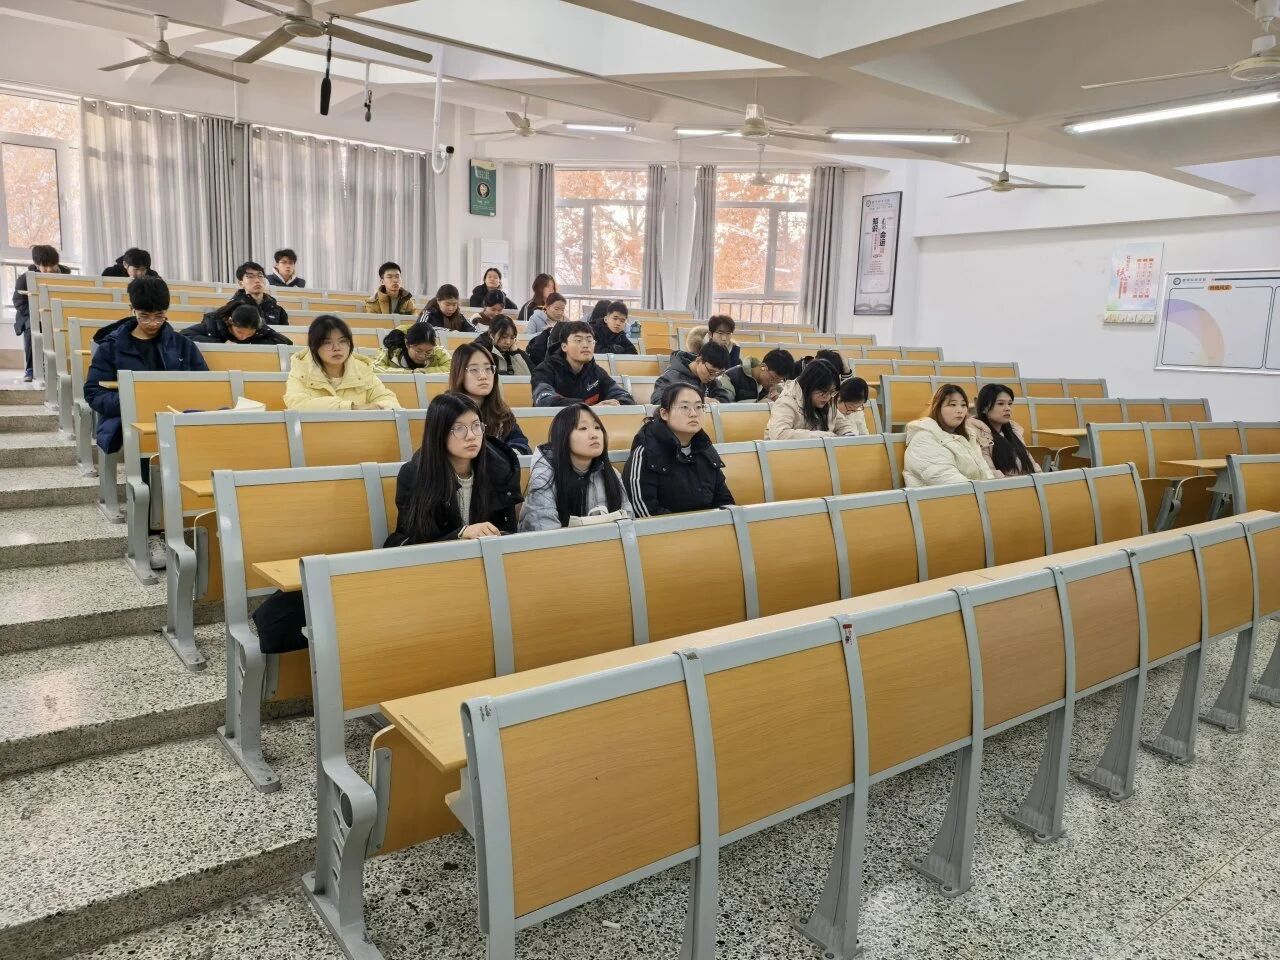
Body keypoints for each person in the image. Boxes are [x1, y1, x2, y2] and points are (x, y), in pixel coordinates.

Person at [84, 278, 208, 569]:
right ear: (132, 310)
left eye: (159, 316)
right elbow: (93, 392)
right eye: (144, 316)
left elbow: (204, 384)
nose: (152, 323)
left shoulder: (182, 344)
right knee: (150, 458)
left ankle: (195, 524)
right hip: (130, 422)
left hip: (175, 419)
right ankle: (153, 533)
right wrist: (133, 405)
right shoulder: (112, 346)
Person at [385, 392, 522, 545]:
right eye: (459, 428)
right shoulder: (414, 475)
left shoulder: (501, 468)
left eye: (476, 426)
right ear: (439, 433)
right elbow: (415, 542)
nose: (471, 436)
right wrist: (460, 534)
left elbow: (508, 534)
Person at [624, 383, 734, 517]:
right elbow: (645, 511)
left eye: (699, 407)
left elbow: (724, 500)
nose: (693, 413)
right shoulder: (646, 452)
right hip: (667, 529)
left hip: (709, 527)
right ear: (664, 413)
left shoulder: (705, 448)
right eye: (684, 407)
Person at [519, 404, 633, 531]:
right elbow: (547, 532)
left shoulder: (611, 473)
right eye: (583, 428)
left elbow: (628, 522)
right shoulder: (544, 475)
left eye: (597, 427)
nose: (594, 435)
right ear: (563, 436)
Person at [284, 315, 402, 411]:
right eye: (327, 342)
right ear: (314, 346)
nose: (337, 348)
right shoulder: (301, 370)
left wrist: (379, 407)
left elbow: (389, 401)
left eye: (343, 341)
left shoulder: (362, 369)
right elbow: (297, 405)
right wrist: (351, 408)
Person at [903, 384, 996, 488]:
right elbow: (947, 480)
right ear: (937, 407)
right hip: (942, 497)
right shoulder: (923, 439)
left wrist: (993, 489)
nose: (960, 410)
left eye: (963, 405)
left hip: (971, 494)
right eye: (952, 405)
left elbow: (985, 472)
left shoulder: (968, 436)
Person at [449, 342, 530, 454]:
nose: (483, 376)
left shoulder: (501, 412)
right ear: (459, 373)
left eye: (488, 368)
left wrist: (512, 453)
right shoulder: (446, 411)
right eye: (474, 370)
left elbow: (520, 443)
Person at [532, 320, 634, 407]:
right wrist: (588, 408)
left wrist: (616, 405)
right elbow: (544, 400)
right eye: (578, 340)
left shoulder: (596, 372)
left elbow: (623, 396)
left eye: (589, 340)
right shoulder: (544, 371)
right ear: (564, 346)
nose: (585, 345)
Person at [764, 359, 864, 440]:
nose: (827, 397)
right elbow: (779, 434)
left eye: (831, 392)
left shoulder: (827, 403)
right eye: (823, 391)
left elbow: (843, 425)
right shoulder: (787, 402)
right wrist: (821, 436)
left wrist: (848, 434)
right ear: (809, 386)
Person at [12, 244, 70, 381]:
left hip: (60, 313)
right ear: (37, 264)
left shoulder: (66, 275)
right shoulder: (25, 278)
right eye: (45, 266)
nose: (49, 270)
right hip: (32, 315)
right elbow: (18, 301)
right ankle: (31, 368)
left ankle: (65, 366)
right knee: (33, 327)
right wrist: (36, 312)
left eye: (52, 265)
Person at [969, 383, 1041, 478]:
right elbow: (990, 474)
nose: (1007, 408)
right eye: (1000, 404)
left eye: (1009, 404)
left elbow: (1032, 466)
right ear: (984, 408)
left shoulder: (1014, 431)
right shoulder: (976, 434)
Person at [209, 261, 289, 326]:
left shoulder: (278, 310)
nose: (257, 280)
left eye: (260, 276)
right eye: (250, 276)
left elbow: (284, 335)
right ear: (241, 283)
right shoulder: (233, 307)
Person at [650, 341, 732, 404]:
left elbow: (725, 398)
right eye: (710, 371)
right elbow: (657, 402)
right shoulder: (671, 377)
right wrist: (695, 402)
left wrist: (715, 401)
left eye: (718, 374)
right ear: (699, 359)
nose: (712, 377)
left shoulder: (710, 378)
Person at [181, 303, 292, 345]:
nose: (243, 337)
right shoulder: (214, 324)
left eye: (250, 334)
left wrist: (251, 344)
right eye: (240, 332)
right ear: (230, 322)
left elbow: (286, 342)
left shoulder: (259, 327)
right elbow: (183, 335)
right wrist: (220, 344)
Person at [719, 347, 796, 402]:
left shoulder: (776, 388)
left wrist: (780, 401)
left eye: (779, 381)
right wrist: (760, 405)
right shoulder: (731, 376)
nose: (774, 383)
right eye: (773, 378)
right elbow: (724, 405)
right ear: (763, 367)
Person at [372, 322, 451, 373]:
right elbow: (373, 368)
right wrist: (408, 373)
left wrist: (426, 371)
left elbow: (453, 369)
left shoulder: (438, 351)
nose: (422, 356)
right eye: (418, 351)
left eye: (428, 351)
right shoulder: (390, 350)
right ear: (407, 344)